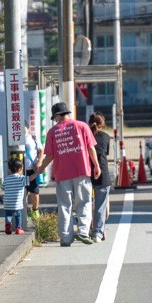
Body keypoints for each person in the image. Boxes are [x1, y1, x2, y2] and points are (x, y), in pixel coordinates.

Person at [35, 103, 101, 246]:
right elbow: (91, 148)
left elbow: (50, 156)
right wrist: (96, 165)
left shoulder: (53, 132)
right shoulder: (82, 126)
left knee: (65, 205)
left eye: (55, 118)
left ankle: (65, 238)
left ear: (58, 115)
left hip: (62, 173)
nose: (55, 120)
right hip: (82, 170)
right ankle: (83, 232)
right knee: (84, 202)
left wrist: (40, 169)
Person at [88, 113, 112, 242]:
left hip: (86, 173)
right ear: (102, 125)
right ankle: (97, 233)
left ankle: (85, 230)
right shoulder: (106, 137)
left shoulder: (84, 136)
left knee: (85, 204)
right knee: (100, 206)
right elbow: (105, 152)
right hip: (102, 174)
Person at [2, 156, 29, 235]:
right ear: (21, 169)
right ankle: (18, 228)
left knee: (8, 215)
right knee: (18, 215)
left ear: (9, 170)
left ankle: (8, 223)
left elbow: (3, 188)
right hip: (17, 203)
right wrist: (37, 173)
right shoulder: (21, 178)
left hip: (7, 202)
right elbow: (29, 179)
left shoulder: (7, 179)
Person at [23, 121, 44, 217]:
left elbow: (41, 150)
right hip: (21, 171)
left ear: (27, 128)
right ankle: (24, 213)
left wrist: (39, 163)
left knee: (34, 192)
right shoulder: (15, 139)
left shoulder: (33, 139)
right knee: (23, 192)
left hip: (32, 169)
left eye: (23, 128)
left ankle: (35, 210)